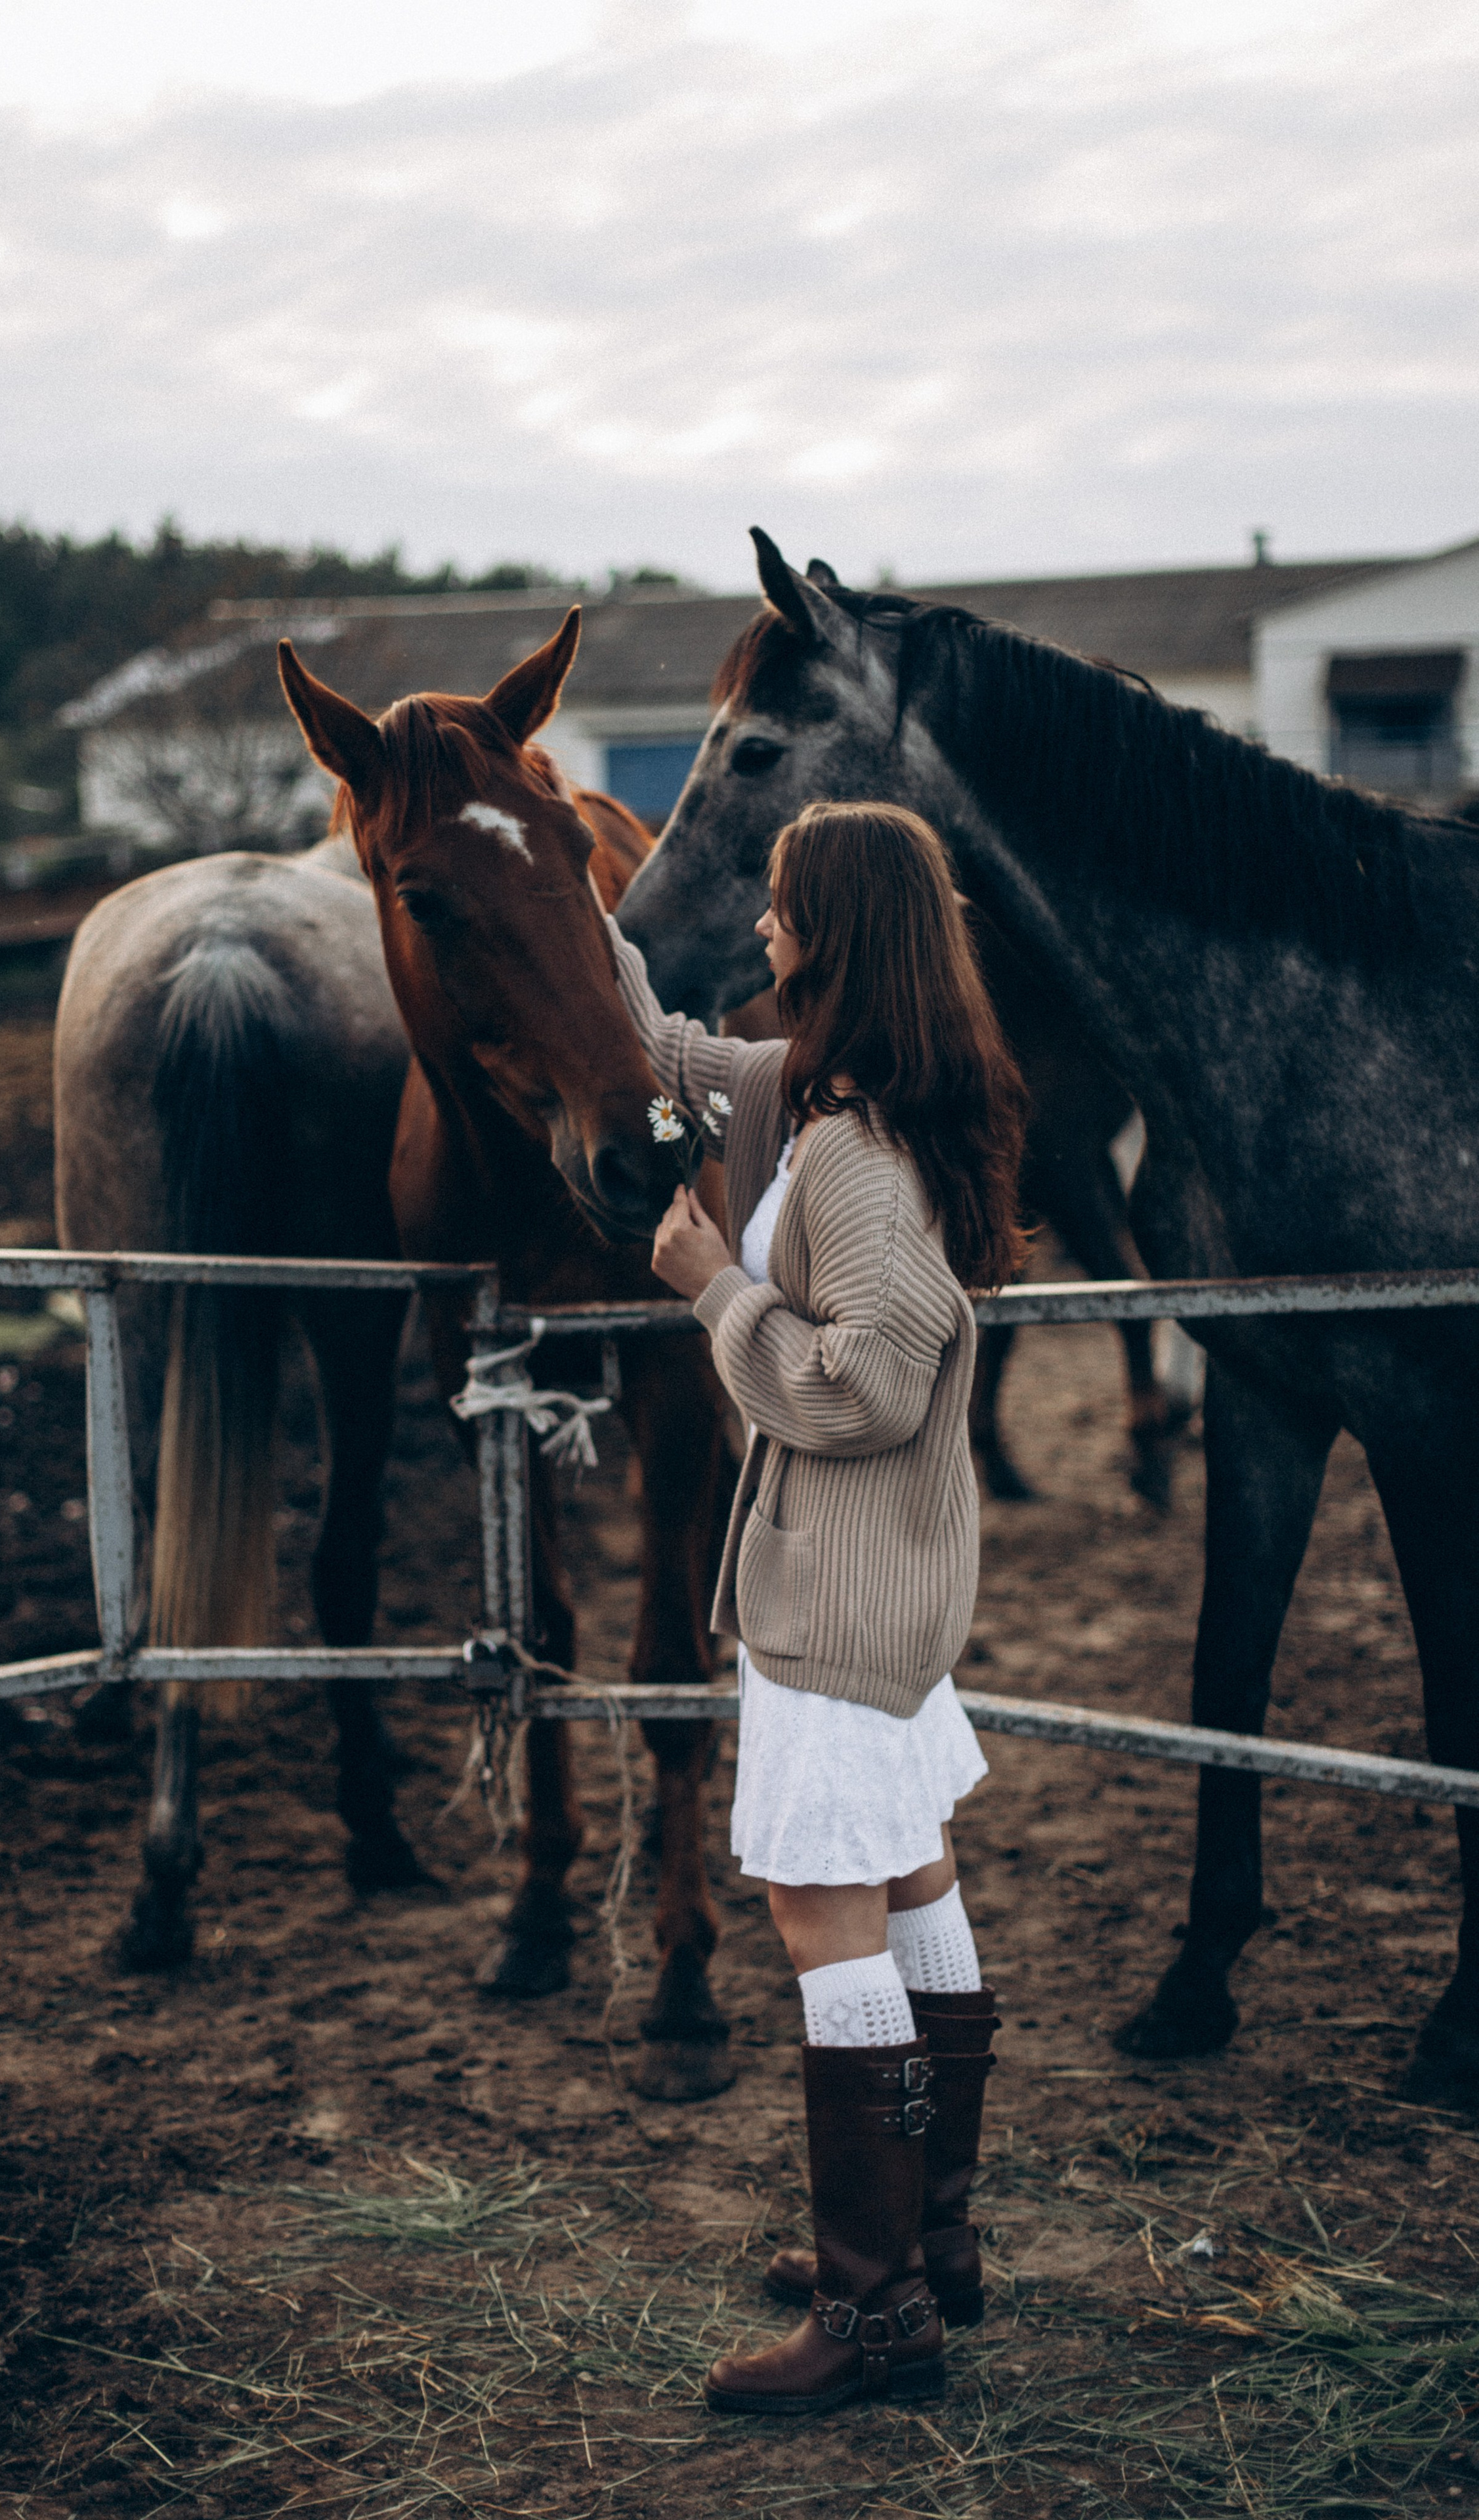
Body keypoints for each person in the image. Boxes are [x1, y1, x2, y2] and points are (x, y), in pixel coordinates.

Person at [607, 801, 1028, 2416]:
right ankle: (930, 2237)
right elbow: (674, 1052)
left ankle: (871, 2320)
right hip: (886, 1591)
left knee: (816, 1914)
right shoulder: (836, 1095)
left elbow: (871, 1377)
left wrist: (712, 1289)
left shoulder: (848, 1156)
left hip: (838, 1595)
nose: (763, 930)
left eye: (783, 910)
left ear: (834, 934)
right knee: (909, 1875)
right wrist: (590, 926)